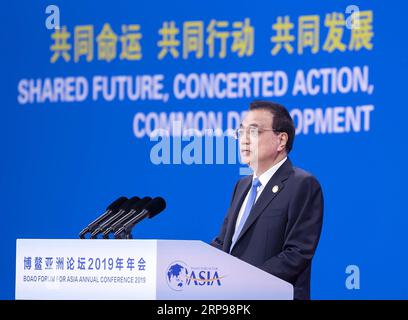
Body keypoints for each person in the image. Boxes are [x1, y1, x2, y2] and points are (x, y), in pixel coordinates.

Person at [211, 100, 324, 300]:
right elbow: (222, 245)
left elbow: (296, 254)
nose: (244, 139)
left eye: (253, 132)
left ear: (281, 141)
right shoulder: (242, 186)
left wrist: (243, 282)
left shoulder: (302, 184)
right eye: (241, 131)